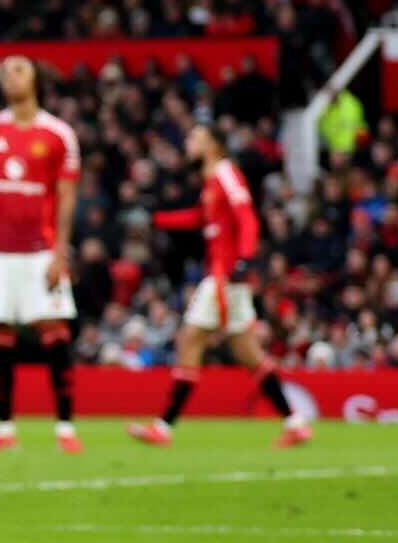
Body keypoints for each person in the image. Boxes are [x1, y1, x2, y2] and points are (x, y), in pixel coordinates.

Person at [129, 123, 311, 449]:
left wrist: (245, 259)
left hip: (226, 274)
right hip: (226, 275)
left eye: (194, 138)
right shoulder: (211, 181)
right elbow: (200, 218)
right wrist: (158, 219)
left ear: (212, 145)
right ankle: (296, 424)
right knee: (249, 354)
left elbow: (247, 216)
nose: (188, 143)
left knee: (191, 338)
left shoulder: (226, 172)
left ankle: (164, 427)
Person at [0, 56, 82, 454]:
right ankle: (4, 430)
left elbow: (66, 199)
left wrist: (60, 252)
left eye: (18, 70)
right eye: (5, 72)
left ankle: (65, 429)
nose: (10, 77)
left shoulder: (58, 135)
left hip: (39, 251)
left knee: (54, 331)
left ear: (35, 79)